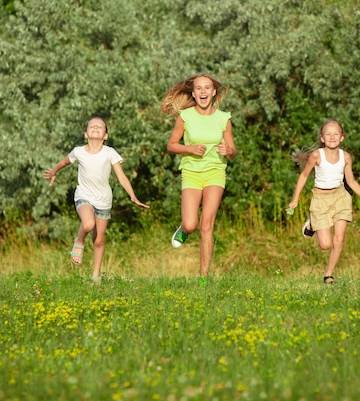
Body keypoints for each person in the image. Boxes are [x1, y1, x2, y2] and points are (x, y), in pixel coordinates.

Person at [44, 117, 149, 284]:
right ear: (86, 134)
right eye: (92, 126)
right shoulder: (78, 151)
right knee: (88, 224)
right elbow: (64, 162)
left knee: (99, 240)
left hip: (104, 200)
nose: (95, 128)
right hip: (84, 195)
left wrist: (133, 195)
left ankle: (96, 276)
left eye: (100, 127)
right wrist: (54, 171)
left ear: (105, 136)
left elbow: (121, 177)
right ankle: (79, 242)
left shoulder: (110, 153)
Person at [161, 73, 237, 283]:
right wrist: (190, 148)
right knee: (191, 223)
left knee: (206, 225)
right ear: (193, 94)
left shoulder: (224, 118)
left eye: (207, 88)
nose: (203, 91)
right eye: (199, 88)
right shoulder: (185, 117)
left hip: (215, 171)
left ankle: (203, 278)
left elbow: (233, 150)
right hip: (192, 173)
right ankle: (184, 229)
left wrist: (227, 150)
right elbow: (171, 145)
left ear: (213, 93)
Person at [288, 119, 360, 284]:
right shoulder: (317, 156)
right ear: (322, 138)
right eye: (328, 134)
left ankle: (329, 274)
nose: (332, 137)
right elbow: (303, 176)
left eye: (335, 134)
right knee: (325, 244)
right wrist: (295, 199)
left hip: (340, 197)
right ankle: (311, 224)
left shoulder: (346, 157)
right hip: (320, 200)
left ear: (342, 137)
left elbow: (351, 182)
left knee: (339, 238)